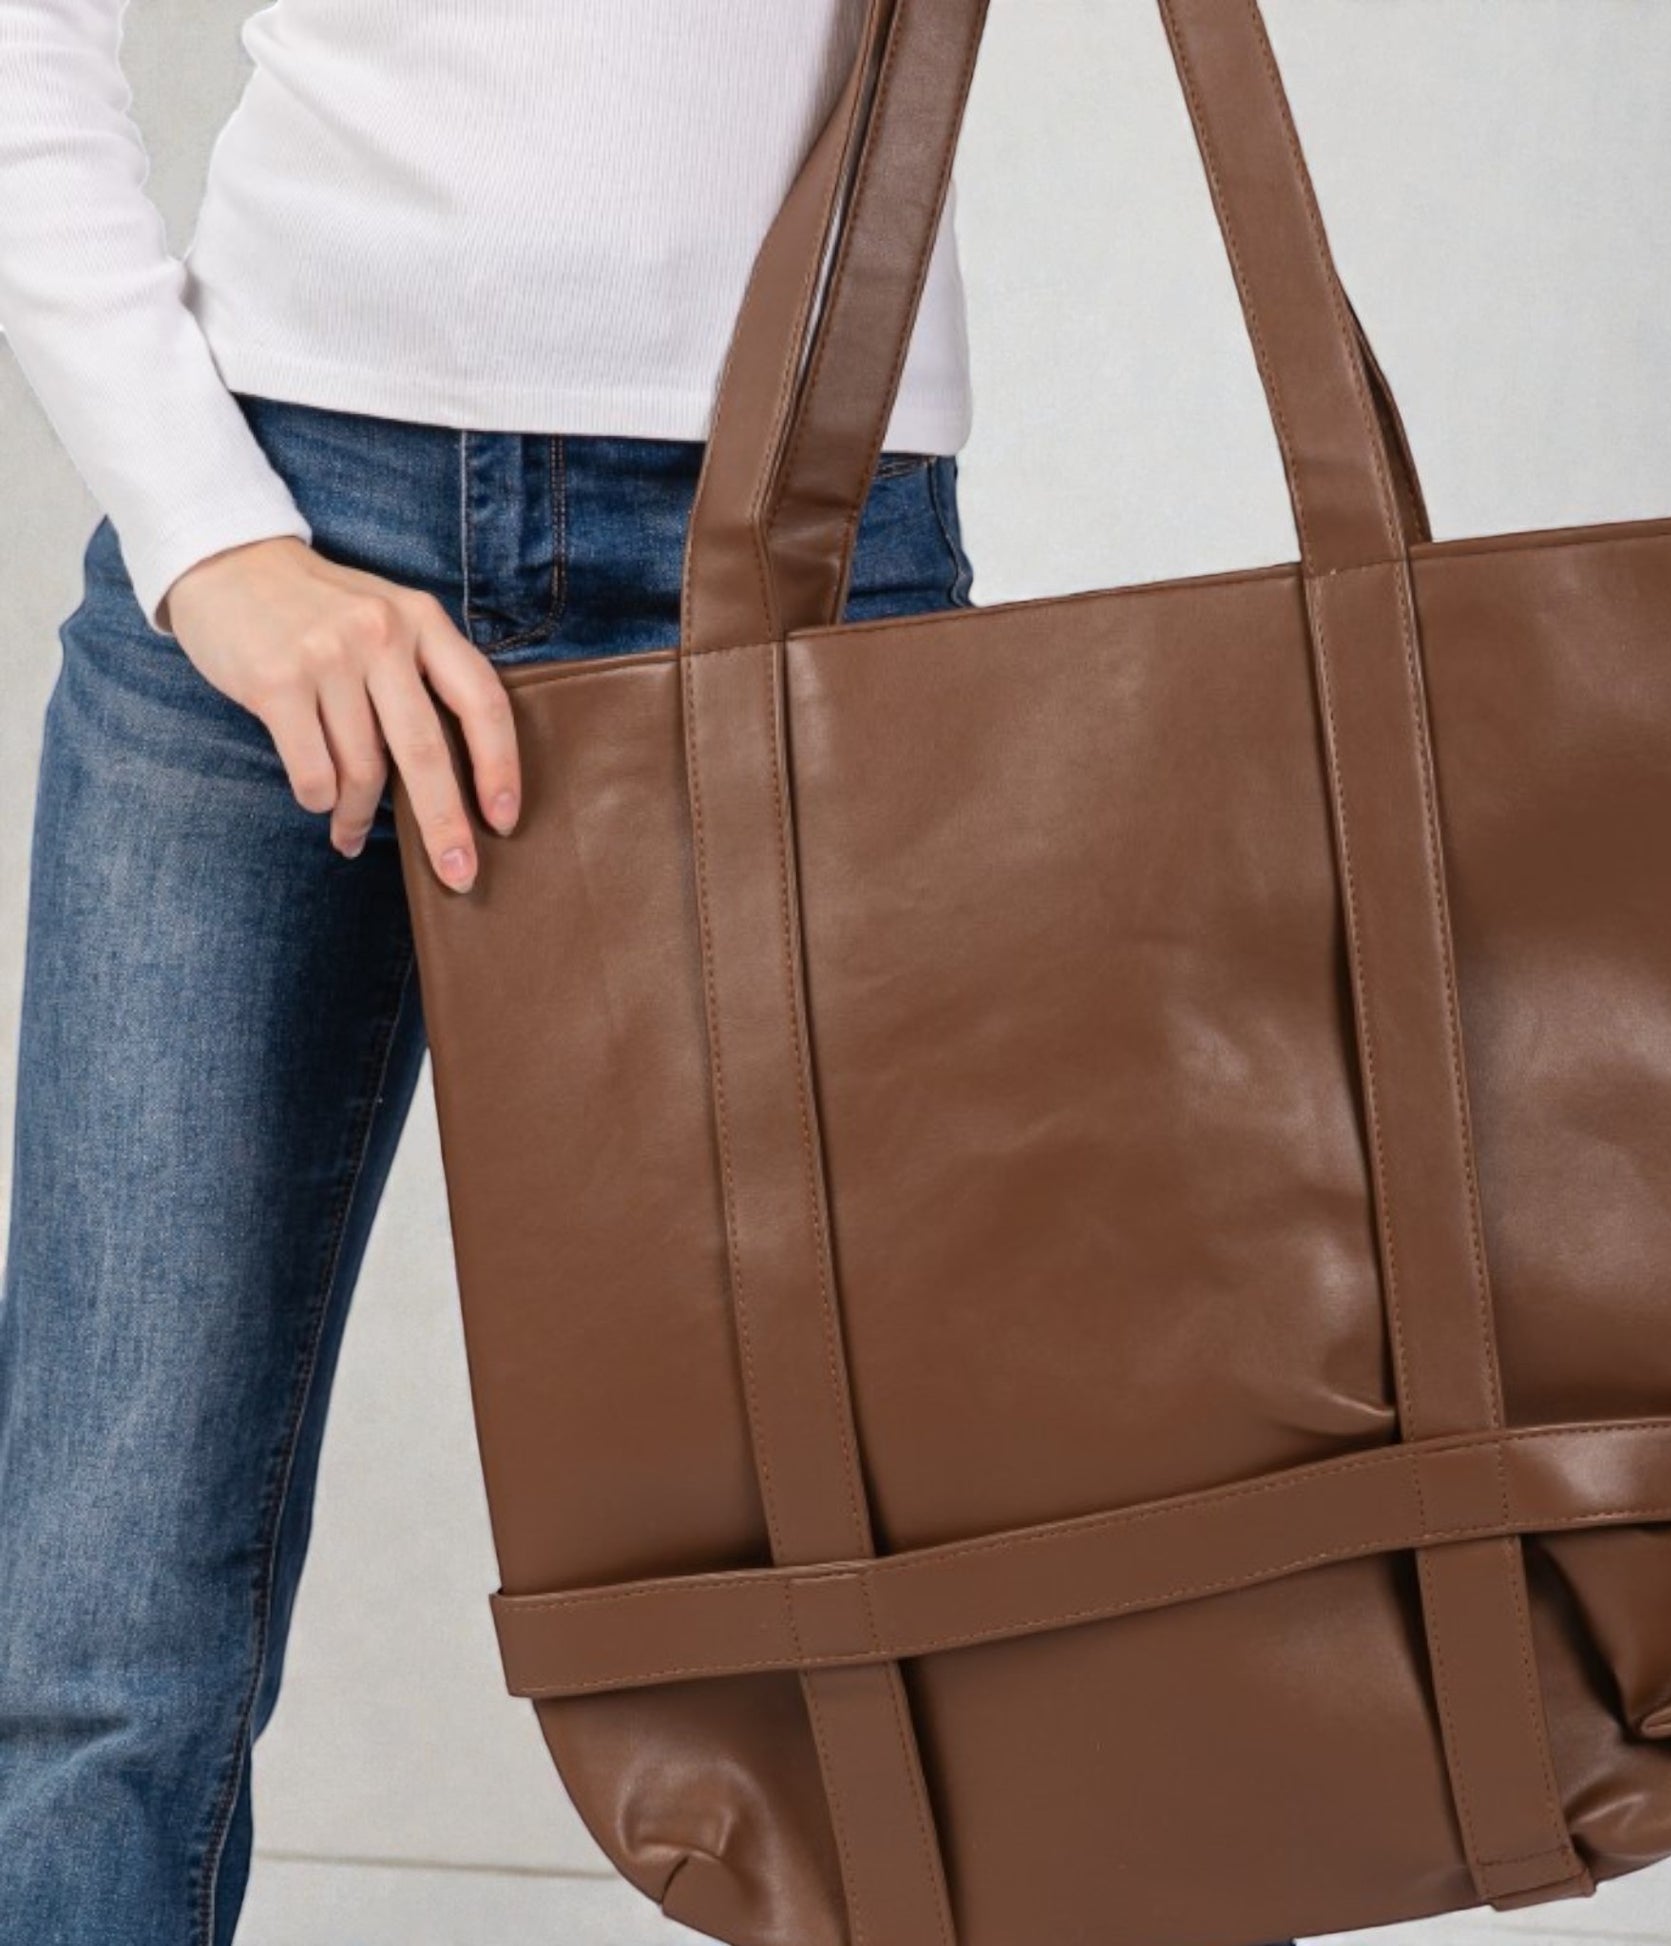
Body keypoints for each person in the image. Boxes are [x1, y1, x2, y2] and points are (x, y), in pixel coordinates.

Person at [0, 4, 973, 1941]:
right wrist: (211, 544)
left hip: (805, 535)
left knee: (939, 1579)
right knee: (99, 1644)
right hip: (285, 518)